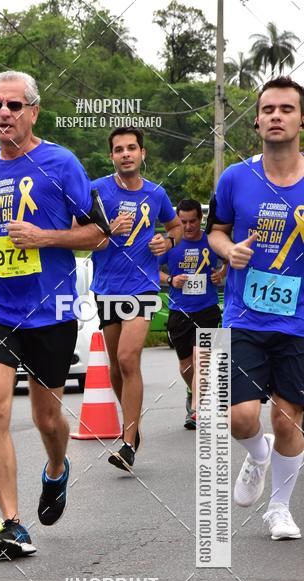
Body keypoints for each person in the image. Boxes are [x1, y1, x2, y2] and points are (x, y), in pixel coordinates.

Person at [0, 70, 109, 560]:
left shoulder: (61, 164)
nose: (4, 113)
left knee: (46, 418)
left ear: (33, 111)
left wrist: (45, 238)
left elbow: (99, 233)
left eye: (15, 105)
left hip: (52, 308)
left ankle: (57, 469)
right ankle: (11, 524)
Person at [208, 75, 304, 541]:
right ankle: (258, 455)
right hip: (243, 315)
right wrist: (228, 251)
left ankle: (280, 509)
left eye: (286, 109)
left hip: (299, 320)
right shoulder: (235, 178)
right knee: (241, 417)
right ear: (257, 120)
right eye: (268, 110)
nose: (276, 117)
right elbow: (215, 230)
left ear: (301, 119)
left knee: (289, 418)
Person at [90, 128, 182, 471]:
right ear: (112, 156)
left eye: (131, 148)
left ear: (142, 153)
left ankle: (127, 444)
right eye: (118, 149)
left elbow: (173, 227)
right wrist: (106, 230)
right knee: (116, 365)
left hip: (142, 286)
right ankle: (133, 427)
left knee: (129, 358)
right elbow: (78, 232)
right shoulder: (96, 191)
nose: (125, 153)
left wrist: (167, 243)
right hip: (106, 286)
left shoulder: (156, 194)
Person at [159, 198, 226, 429]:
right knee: (187, 366)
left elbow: (228, 260)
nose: (188, 227)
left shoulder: (212, 241)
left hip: (207, 309)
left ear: (201, 219)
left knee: (202, 358)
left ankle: (198, 409)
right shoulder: (172, 244)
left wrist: (220, 274)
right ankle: (192, 391)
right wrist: (170, 279)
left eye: (193, 221)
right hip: (179, 311)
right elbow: (151, 270)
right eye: (183, 221)